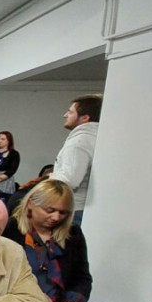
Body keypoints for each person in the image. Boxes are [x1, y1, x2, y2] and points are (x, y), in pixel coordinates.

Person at [2, 179, 92, 302]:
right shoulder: (9, 229)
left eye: (63, 213)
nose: (56, 217)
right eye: (50, 210)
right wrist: (33, 295)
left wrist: (72, 301)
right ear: (30, 204)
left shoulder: (73, 234)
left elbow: (81, 277)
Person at [51, 94, 102, 224]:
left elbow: (70, 180)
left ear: (85, 118)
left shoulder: (79, 142)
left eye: (70, 112)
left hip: (76, 209)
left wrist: (52, 177)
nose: (65, 115)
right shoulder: (97, 138)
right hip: (88, 208)